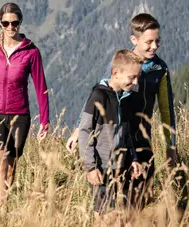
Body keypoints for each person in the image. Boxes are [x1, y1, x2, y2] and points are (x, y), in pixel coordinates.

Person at [68, 12, 177, 207]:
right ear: (135, 39)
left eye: (157, 41)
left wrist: (171, 144)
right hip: (116, 137)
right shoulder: (123, 64)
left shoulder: (160, 69)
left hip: (142, 138)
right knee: (111, 198)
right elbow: (98, 93)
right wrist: (78, 129)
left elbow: (166, 109)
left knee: (142, 197)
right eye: (149, 41)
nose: (154, 46)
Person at [0, 3, 50, 203]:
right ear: (1, 24)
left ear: (20, 23)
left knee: (11, 169)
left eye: (15, 23)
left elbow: (41, 87)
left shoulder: (31, 52)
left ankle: (2, 206)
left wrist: (44, 121)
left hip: (19, 115)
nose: (11, 27)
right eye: (6, 23)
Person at [76, 50, 145, 215]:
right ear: (115, 73)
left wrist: (133, 159)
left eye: (137, 77)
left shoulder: (124, 98)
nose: (136, 82)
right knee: (103, 214)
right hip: (100, 168)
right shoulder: (98, 96)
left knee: (114, 213)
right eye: (132, 77)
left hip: (118, 168)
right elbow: (85, 132)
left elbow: (126, 135)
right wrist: (91, 167)